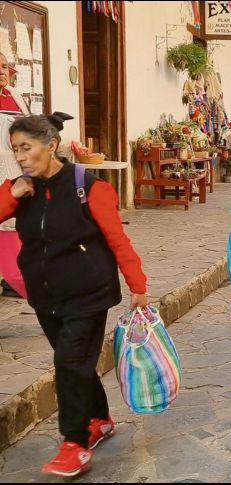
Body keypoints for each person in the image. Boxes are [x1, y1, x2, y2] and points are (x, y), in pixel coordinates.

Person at [0, 113, 148, 477]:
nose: (21, 157)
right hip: (45, 295)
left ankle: (75, 443)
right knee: (75, 362)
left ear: (50, 146)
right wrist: (10, 194)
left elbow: (117, 240)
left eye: (26, 148)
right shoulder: (21, 189)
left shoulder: (90, 187)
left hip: (89, 293)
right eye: (15, 149)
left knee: (68, 361)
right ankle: (99, 418)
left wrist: (138, 286)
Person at [0, 52, 29, 299]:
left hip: (13, 179)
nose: (2, 70)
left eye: (4, 66)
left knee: (15, 262)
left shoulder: (15, 97)